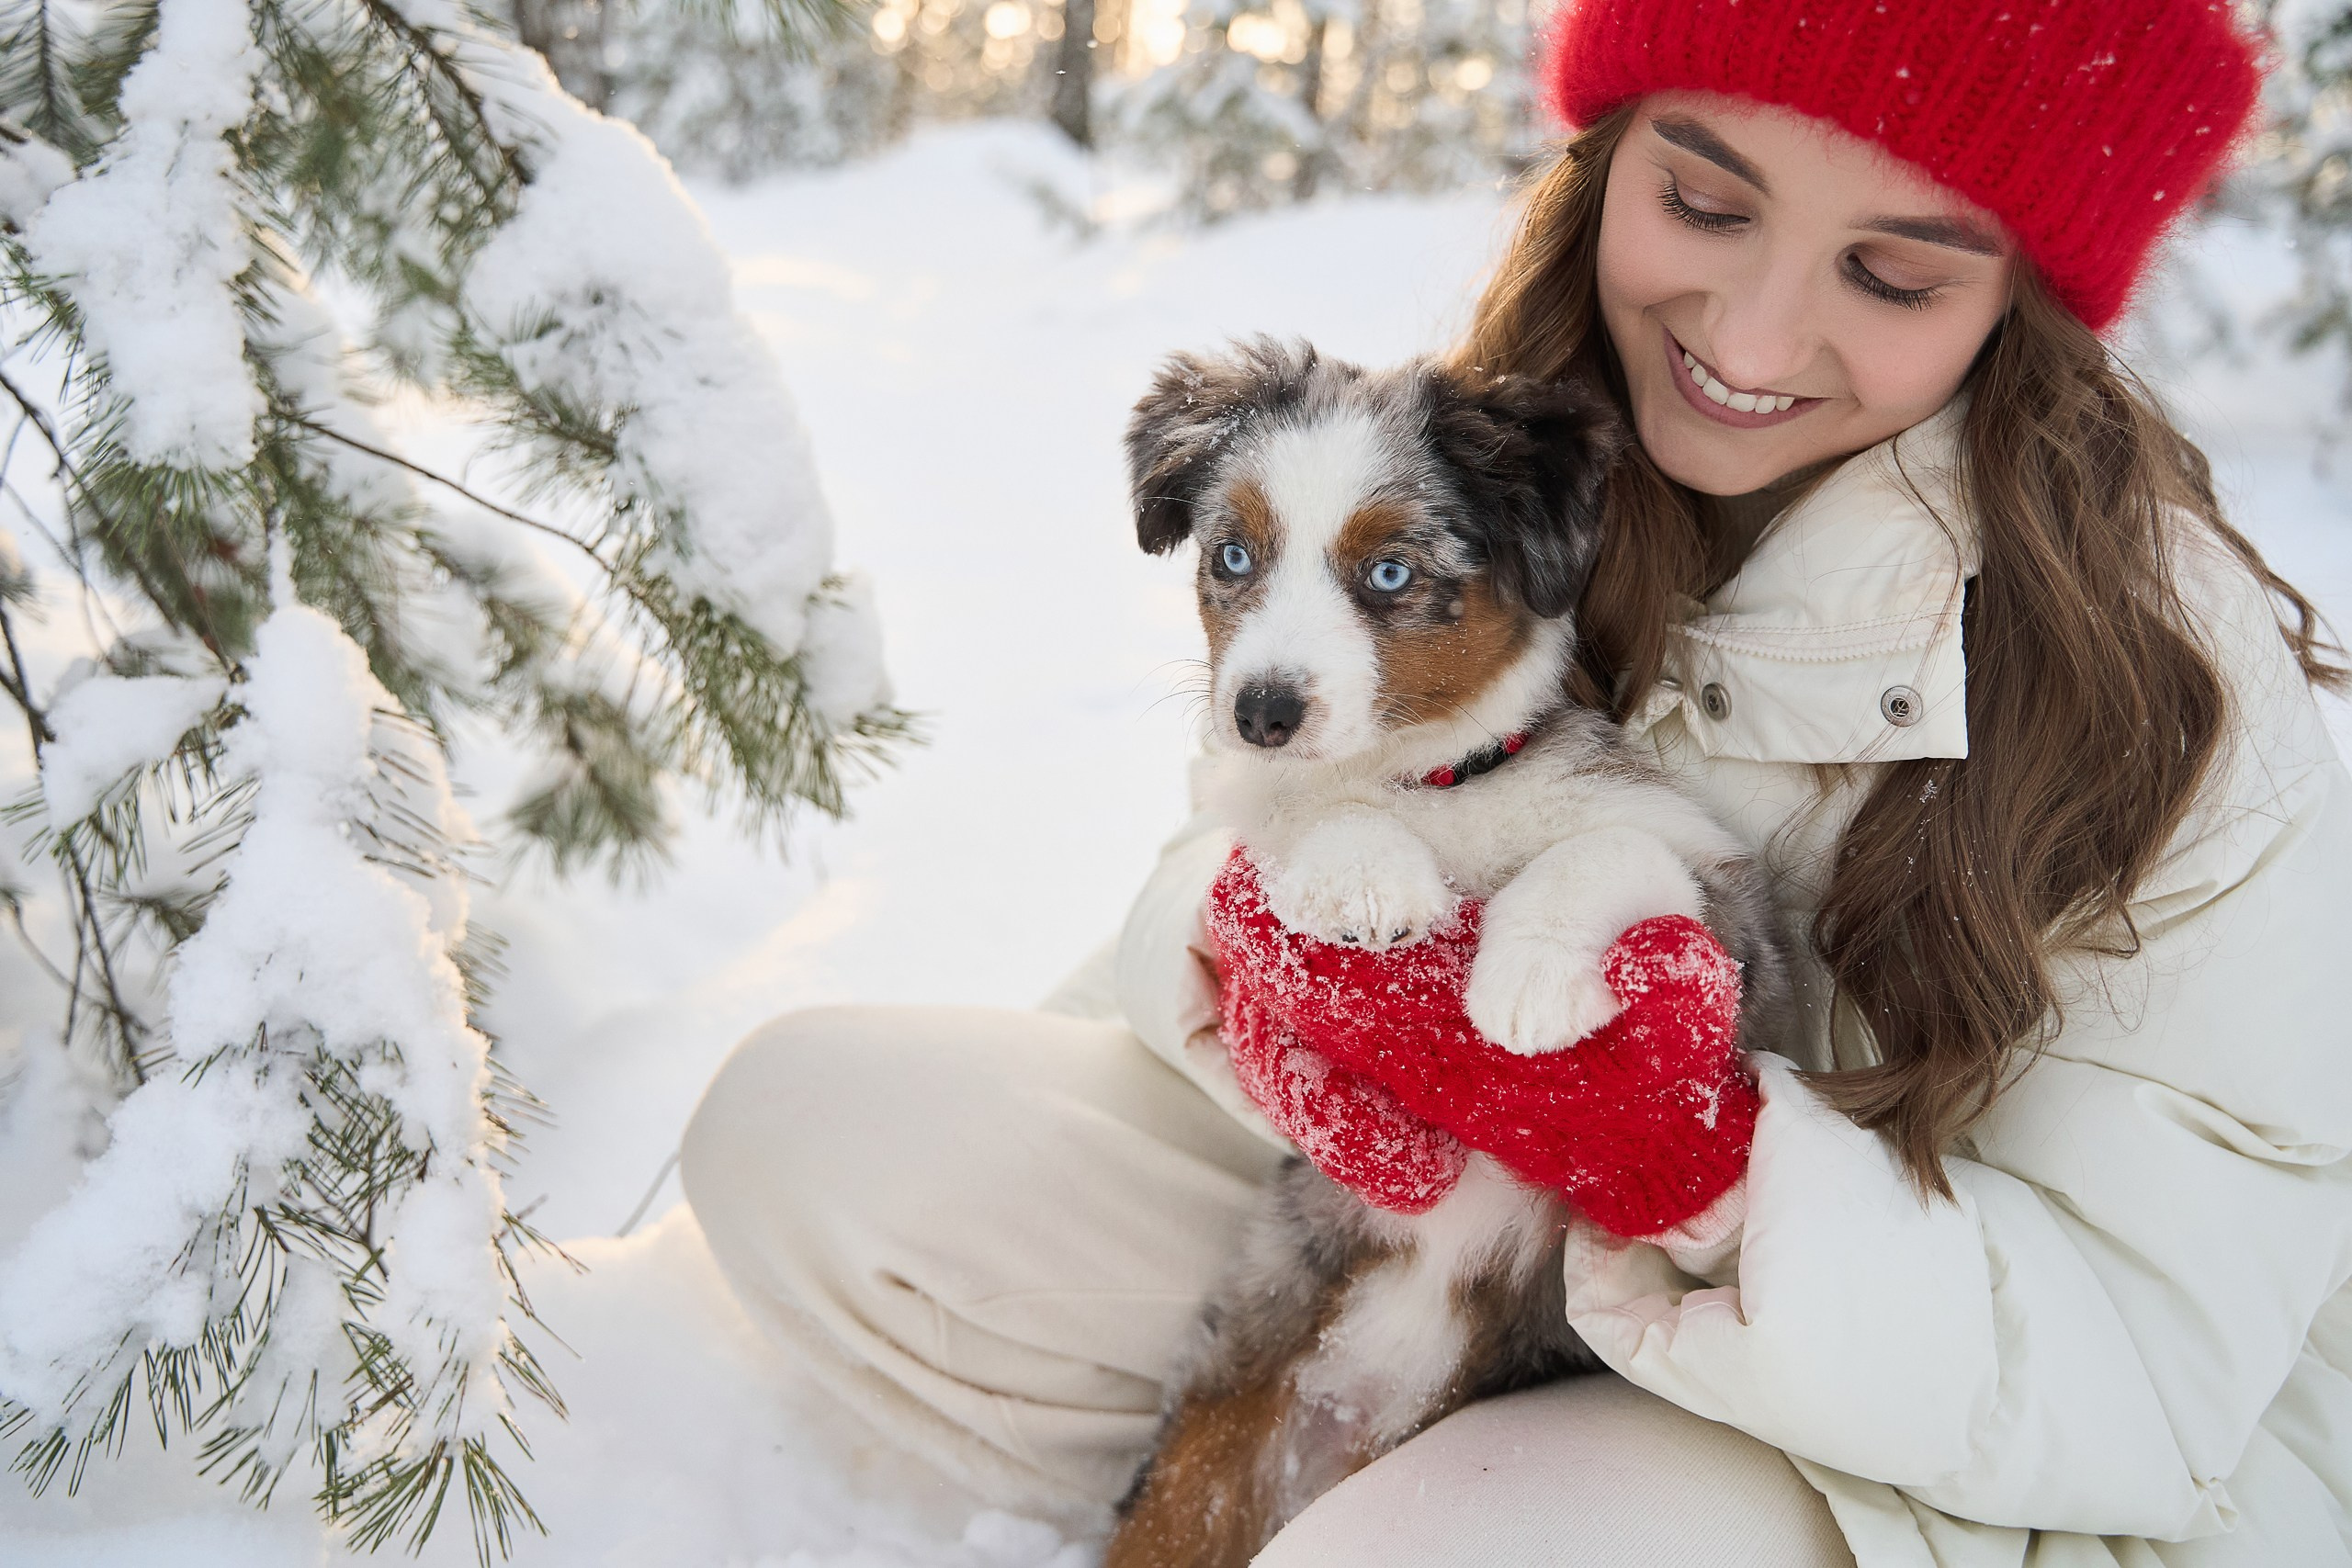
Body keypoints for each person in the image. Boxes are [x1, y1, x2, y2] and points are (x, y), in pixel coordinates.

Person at [679, 1, 2352, 1562]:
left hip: (1920, 1447)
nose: (1753, 334)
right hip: (1446, 1241)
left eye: (1895, 277)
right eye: (1704, 202)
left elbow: (2152, 1380)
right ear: (1608, 157)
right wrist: (1233, 954)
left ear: (2022, 299)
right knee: (820, 1143)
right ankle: (1359, 1467)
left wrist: (1703, 1175)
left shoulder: (2172, 699)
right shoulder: (1505, 441)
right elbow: (1269, 803)